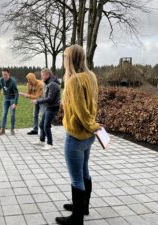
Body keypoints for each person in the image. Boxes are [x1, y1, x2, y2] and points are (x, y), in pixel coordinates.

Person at [55, 45, 100, 225]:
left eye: (65, 56)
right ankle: (83, 206)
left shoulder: (74, 81)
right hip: (89, 136)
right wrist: (93, 126)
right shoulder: (92, 76)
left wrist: (92, 124)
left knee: (76, 178)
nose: (64, 60)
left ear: (70, 59)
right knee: (84, 171)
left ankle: (77, 218)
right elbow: (92, 105)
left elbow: (81, 112)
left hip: (76, 136)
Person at [32, 68, 61, 150]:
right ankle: (41, 140)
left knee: (46, 126)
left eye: (43, 75)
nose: (41, 77)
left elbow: (50, 99)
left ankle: (50, 143)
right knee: (41, 124)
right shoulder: (49, 83)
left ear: (47, 75)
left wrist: (37, 101)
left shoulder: (53, 84)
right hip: (49, 107)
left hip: (52, 108)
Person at [0, 68, 19, 135]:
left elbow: (16, 93)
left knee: (12, 114)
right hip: (5, 98)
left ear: (9, 74)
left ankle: (12, 129)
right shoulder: (1, 79)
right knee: (4, 114)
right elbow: (0, 85)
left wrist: (15, 103)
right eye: (3, 74)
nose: (4, 76)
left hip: (12, 99)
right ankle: (2, 129)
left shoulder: (13, 81)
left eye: (6, 74)